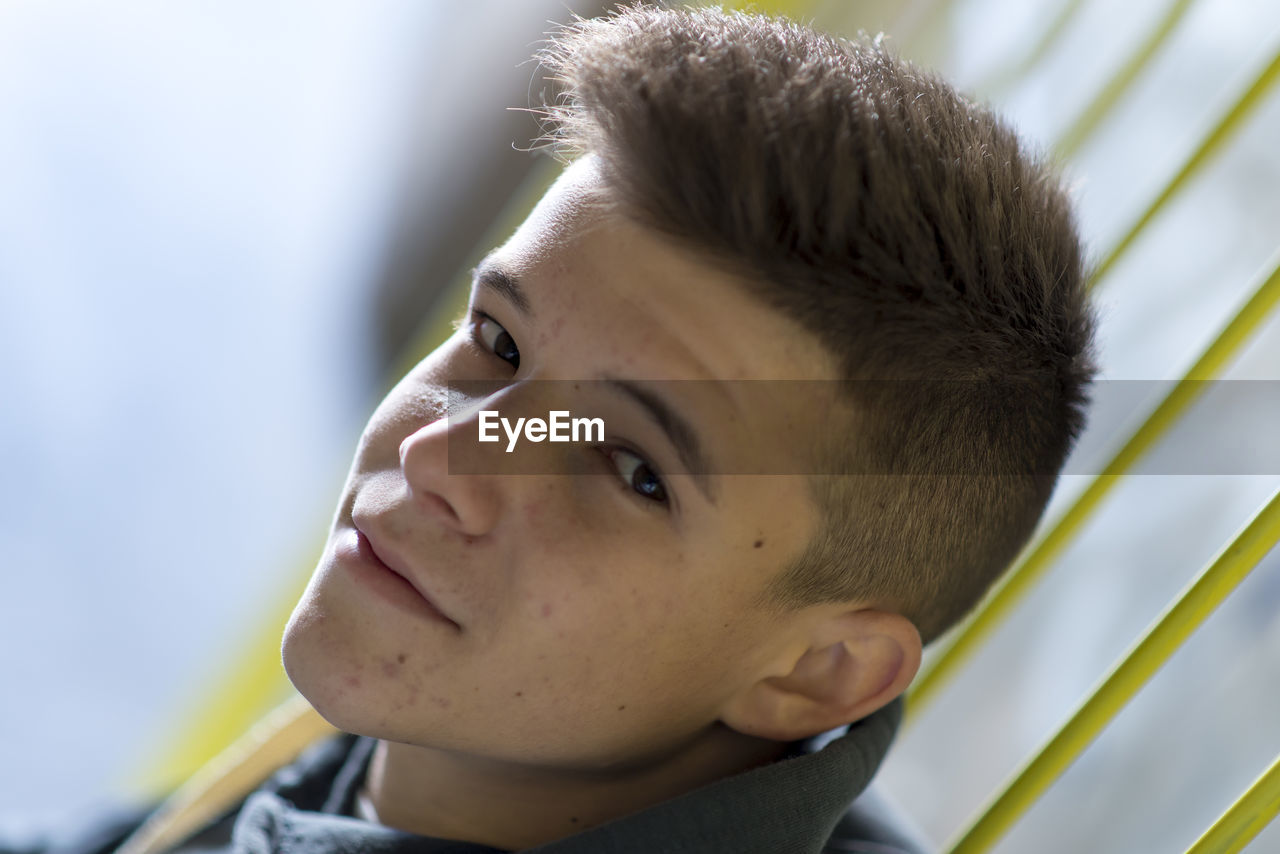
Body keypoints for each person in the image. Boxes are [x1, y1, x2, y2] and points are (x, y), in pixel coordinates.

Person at [7, 4, 1096, 853]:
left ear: (819, 670)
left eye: (630, 468)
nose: (442, 453)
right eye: (498, 342)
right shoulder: (356, 769)